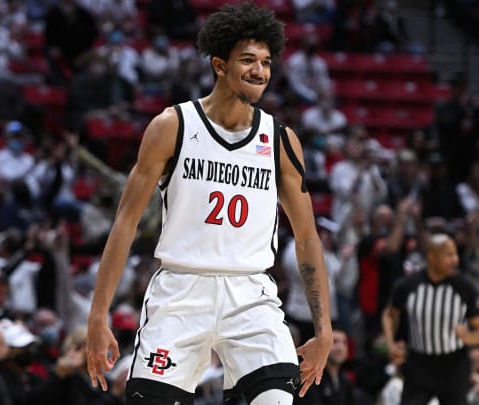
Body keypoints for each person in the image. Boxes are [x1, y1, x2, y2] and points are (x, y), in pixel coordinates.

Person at [85, 4, 333, 405]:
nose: (260, 71)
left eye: (266, 62)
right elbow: (125, 225)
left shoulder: (281, 141)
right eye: (248, 60)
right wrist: (98, 315)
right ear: (219, 65)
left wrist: (323, 330)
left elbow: (307, 237)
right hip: (181, 291)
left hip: (250, 293)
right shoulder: (173, 126)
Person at [382, 233, 479, 404]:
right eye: (449, 255)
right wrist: (391, 343)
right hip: (419, 363)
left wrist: (469, 337)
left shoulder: (465, 287)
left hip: (454, 364)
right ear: (431, 257)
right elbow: (389, 314)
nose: (455, 260)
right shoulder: (408, 285)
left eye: (456, 254)